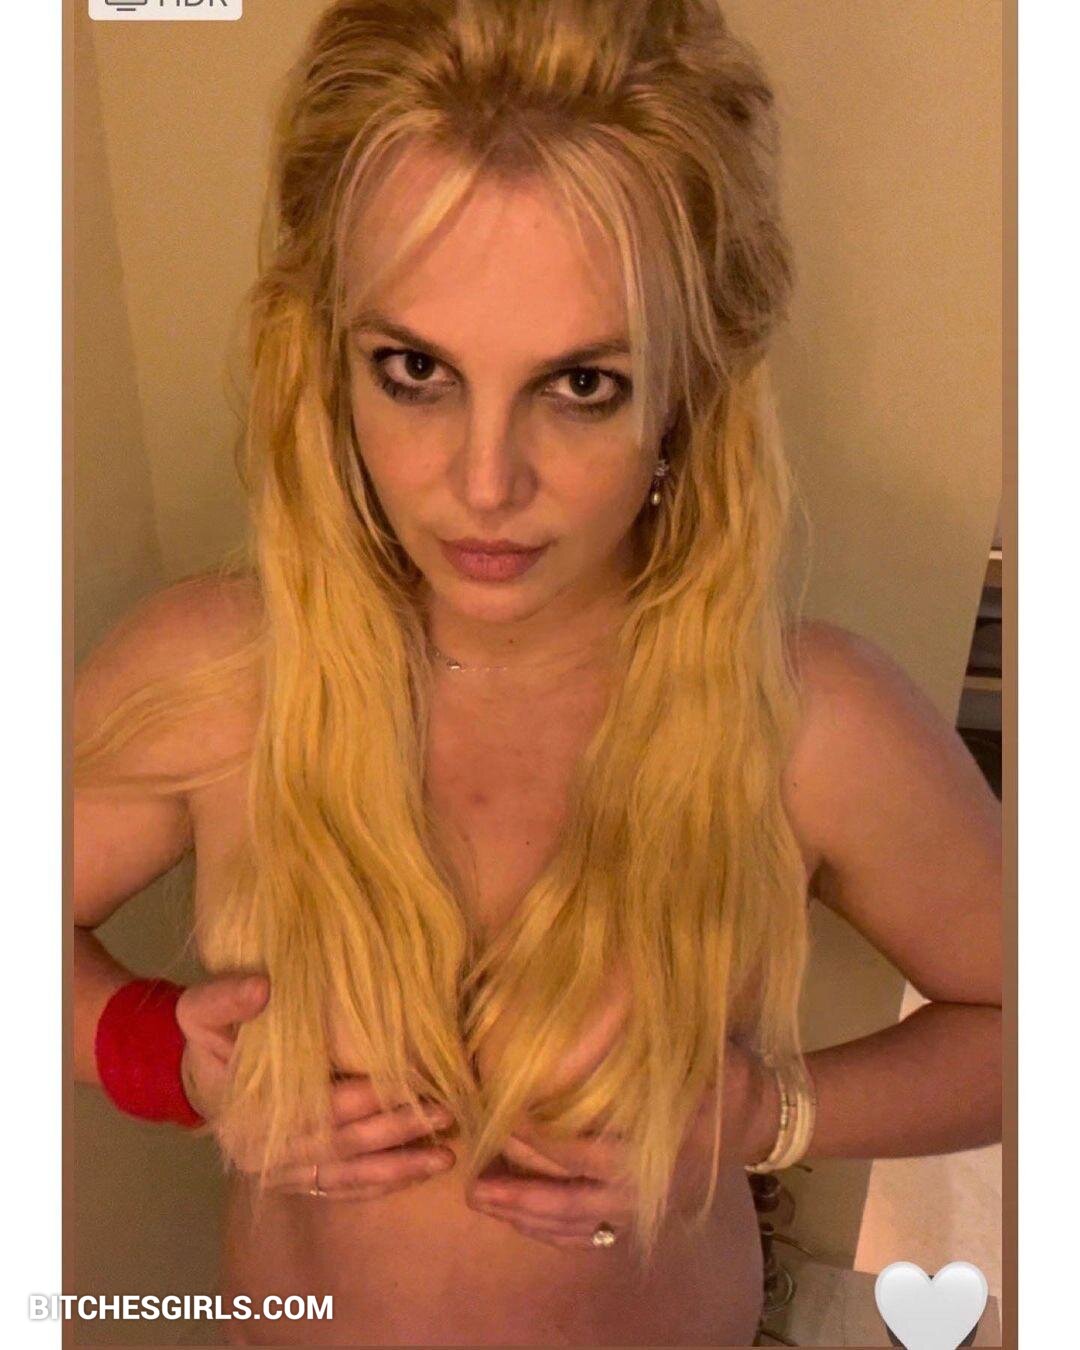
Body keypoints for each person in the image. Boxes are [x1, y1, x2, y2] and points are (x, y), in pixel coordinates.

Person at [73, 1, 1002, 1345]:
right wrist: (157, 1054)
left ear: (685, 394)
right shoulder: (221, 677)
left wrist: (765, 1112)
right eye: (415, 369)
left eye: (580, 386)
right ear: (326, 360)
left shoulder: (800, 721)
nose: (486, 482)